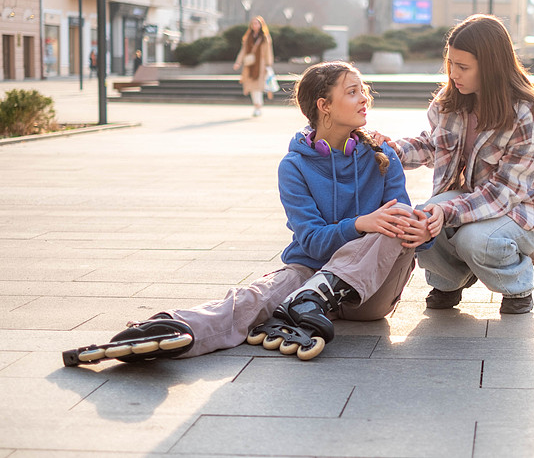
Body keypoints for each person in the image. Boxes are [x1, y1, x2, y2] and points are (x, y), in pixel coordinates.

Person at [62, 61, 443, 366]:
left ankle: (316, 295)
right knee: (255, 295)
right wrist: (359, 223)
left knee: (397, 222)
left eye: (363, 91)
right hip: (307, 276)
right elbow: (309, 240)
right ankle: (175, 328)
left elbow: (403, 229)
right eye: (352, 92)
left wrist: (419, 232)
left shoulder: (382, 154)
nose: (365, 99)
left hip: (368, 296)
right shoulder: (294, 167)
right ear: (323, 106)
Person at [374, 14, 534, 315]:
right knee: (420, 219)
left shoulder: (526, 112)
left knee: (475, 240)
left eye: (463, 67)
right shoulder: (451, 101)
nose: (453, 74)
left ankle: (518, 283)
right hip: (471, 200)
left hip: (521, 209)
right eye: (451, 64)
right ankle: (449, 280)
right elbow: (433, 144)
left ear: (491, 67)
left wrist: (446, 212)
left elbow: (504, 192)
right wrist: (389, 150)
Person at [233, 16, 276, 117]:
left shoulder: (264, 37)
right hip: (249, 65)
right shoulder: (248, 37)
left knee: (258, 87)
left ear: (261, 25)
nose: (254, 25)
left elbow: (268, 52)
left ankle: (258, 106)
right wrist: (238, 62)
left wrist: (268, 64)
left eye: (257, 23)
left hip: (260, 65)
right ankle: (257, 105)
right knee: (251, 87)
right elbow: (243, 51)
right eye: (253, 23)